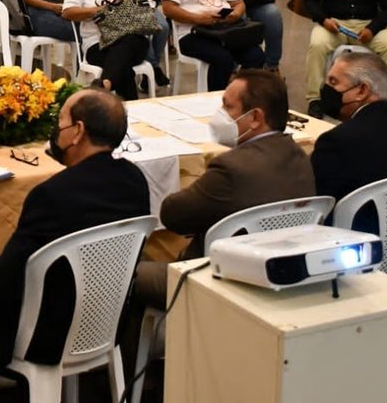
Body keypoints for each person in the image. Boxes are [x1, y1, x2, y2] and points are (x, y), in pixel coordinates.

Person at [0, 90, 149, 399]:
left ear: (78, 132)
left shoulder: (53, 194)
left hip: (48, 332)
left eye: (60, 122)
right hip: (105, 321)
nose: (56, 130)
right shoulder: (135, 180)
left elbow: (10, 272)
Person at [135, 70, 315, 305]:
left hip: (214, 279)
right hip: (280, 274)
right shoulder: (301, 156)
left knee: (123, 276)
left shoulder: (231, 169)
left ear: (255, 118)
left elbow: (172, 215)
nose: (220, 115)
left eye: (227, 107)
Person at [310, 51, 387, 246]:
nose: (326, 89)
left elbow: (313, 206)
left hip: (347, 256)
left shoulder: (337, 141)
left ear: (362, 90)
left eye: (333, 82)